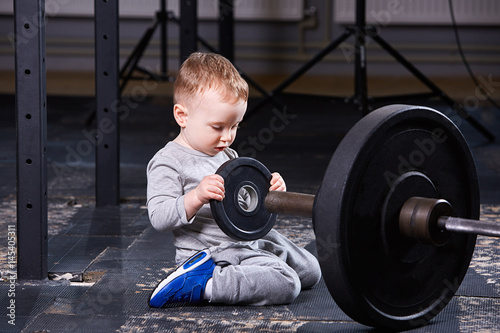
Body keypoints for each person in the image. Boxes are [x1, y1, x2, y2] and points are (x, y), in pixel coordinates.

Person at [146, 52, 321, 307]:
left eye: (235, 126)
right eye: (218, 127)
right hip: (215, 253)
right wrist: (195, 197)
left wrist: (269, 191)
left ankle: (251, 270)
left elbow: (243, 205)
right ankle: (203, 284)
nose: (227, 137)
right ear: (182, 116)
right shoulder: (168, 162)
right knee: (287, 283)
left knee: (310, 271)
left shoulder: (226, 154)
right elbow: (159, 216)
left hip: (244, 239)